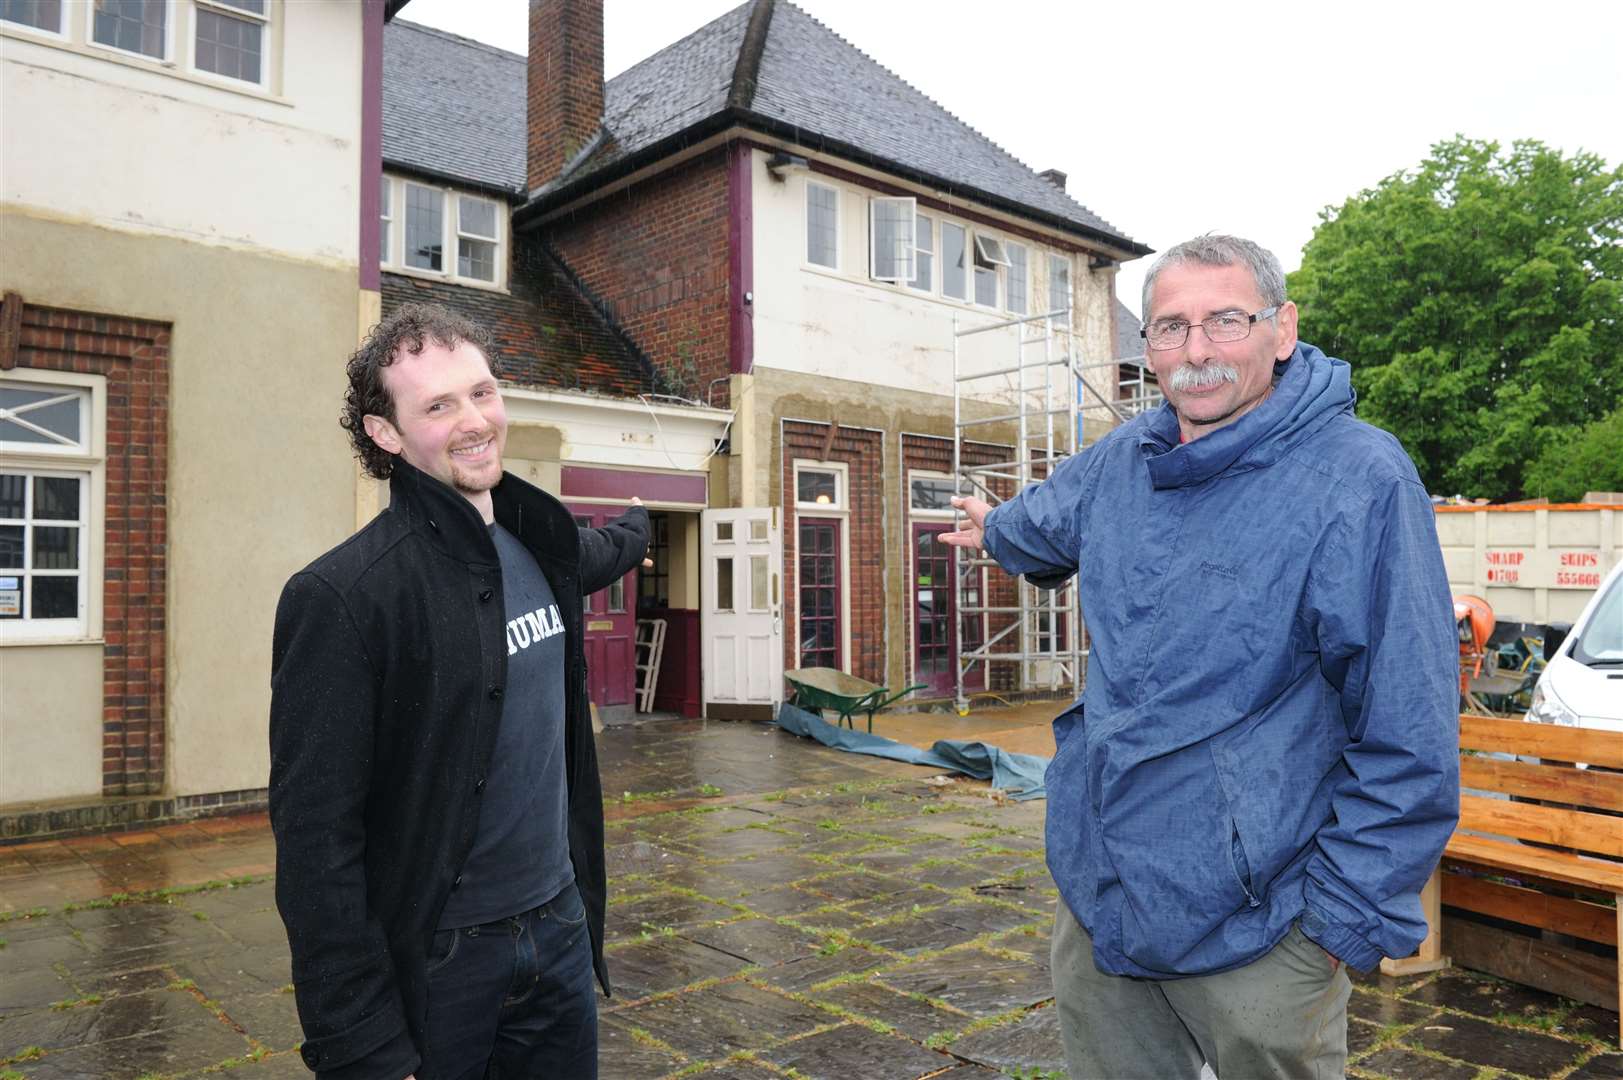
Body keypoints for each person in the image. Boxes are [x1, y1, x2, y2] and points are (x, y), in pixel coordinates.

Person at [943, 235, 1459, 1079]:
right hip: (1104, 896)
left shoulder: (1360, 479)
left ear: (1280, 329)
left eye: (1225, 320)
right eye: (1169, 328)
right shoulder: (1128, 456)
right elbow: (1046, 520)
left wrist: (1339, 924)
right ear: (1144, 346)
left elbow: (1409, 724)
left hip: (1264, 927)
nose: (1196, 352)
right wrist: (995, 528)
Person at [269, 303, 648, 1080]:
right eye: (438, 406)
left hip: (560, 928)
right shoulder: (344, 596)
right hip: (442, 960)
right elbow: (315, 841)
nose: (475, 421)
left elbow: (602, 550)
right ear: (386, 434)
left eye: (482, 392)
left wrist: (641, 524)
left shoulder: (539, 542)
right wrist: (360, 1040)